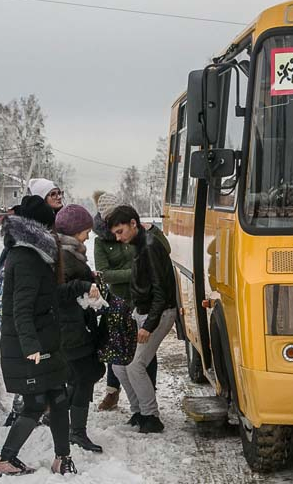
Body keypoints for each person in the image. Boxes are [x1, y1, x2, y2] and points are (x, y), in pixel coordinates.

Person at [0, 195, 95, 477]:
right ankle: (5, 459)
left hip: (46, 341)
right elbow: (21, 309)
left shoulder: (38, 255)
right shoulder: (24, 258)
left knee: (59, 397)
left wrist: (82, 285)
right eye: (50, 226)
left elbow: (48, 296)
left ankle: (62, 458)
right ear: (39, 227)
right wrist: (31, 347)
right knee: (36, 403)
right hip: (30, 347)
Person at [92, 192, 166, 411]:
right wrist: (137, 272)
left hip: (142, 299)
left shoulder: (138, 233)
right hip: (120, 301)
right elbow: (104, 274)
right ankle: (113, 392)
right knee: (118, 351)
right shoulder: (103, 241)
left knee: (144, 353)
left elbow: (162, 252)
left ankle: (147, 398)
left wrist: (152, 229)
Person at [106, 205, 177, 434]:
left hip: (159, 313)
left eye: (120, 231)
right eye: (115, 234)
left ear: (133, 224)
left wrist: (148, 325)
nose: (118, 238)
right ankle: (138, 411)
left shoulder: (149, 246)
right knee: (120, 365)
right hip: (142, 311)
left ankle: (151, 417)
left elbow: (161, 290)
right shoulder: (139, 246)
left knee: (135, 365)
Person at [54, 204, 106, 453]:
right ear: (75, 231)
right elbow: (59, 292)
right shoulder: (63, 256)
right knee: (84, 375)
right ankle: (77, 432)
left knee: (77, 375)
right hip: (71, 329)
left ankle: (68, 423)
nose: (88, 235)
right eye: (86, 230)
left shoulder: (66, 252)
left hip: (72, 326)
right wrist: (85, 285)